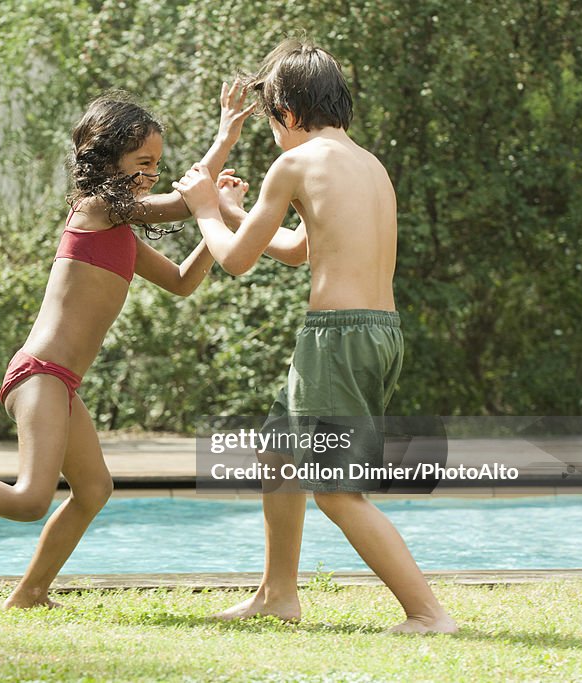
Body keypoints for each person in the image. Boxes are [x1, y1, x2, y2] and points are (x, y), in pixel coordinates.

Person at [0, 85, 255, 609]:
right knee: (30, 498)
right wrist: (225, 140)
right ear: (107, 158)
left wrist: (218, 223)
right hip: (40, 374)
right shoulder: (96, 210)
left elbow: (184, 281)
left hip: (60, 383)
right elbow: (179, 205)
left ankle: (29, 594)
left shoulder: (122, 234)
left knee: (94, 489)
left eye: (157, 163)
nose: (152, 173)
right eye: (143, 162)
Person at [173, 38, 457, 634]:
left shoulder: (294, 163)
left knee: (335, 489)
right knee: (278, 452)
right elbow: (300, 249)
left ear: (289, 114)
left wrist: (203, 205)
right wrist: (229, 214)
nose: (274, 135)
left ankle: (427, 613)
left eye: (273, 121)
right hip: (378, 332)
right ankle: (278, 594)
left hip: (337, 338)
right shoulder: (370, 165)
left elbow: (234, 263)